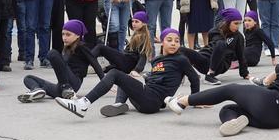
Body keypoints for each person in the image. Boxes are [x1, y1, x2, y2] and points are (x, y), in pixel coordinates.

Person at [55, 27, 200, 118]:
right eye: (169, 40)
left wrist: (195, 101)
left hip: (152, 102)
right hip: (143, 100)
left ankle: (83, 105)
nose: (174, 43)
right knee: (126, 77)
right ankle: (119, 105)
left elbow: (195, 78)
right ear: (162, 42)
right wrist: (146, 77)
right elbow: (157, 80)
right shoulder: (157, 60)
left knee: (115, 74)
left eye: (177, 40)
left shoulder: (181, 59)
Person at [17, 20, 104, 103]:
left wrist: (104, 82)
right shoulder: (66, 48)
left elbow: (94, 62)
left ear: (77, 35)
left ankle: (67, 89)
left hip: (73, 83)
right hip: (61, 87)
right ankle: (37, 90)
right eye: (63, 34)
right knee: (28, 78)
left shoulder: (82, 47)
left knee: (53, 53)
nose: (64, 38)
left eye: (68, 35)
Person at [180, 8, 249, 85]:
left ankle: (210, 75)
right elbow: (210, 48)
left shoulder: (238, 37)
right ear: (227, 22)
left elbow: (241, 56)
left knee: (221, 44)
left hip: (220, 64)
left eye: (240, 23)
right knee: (180, 50)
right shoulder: (214, 31)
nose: (238, 26)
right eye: (236, 23)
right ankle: (186, 72)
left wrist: (245, 73)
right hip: (204, 60)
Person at [92, 11, 152, 76]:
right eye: (133, 21)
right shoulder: (137, 34)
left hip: (127, 63)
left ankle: (83, 62)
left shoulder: (142, 36)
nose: (133, 24)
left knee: (101, 47)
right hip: (126, 62)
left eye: (137, 22)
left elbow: (143, 56)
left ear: (143, 24)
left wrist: (136, 70)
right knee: (107, 69)